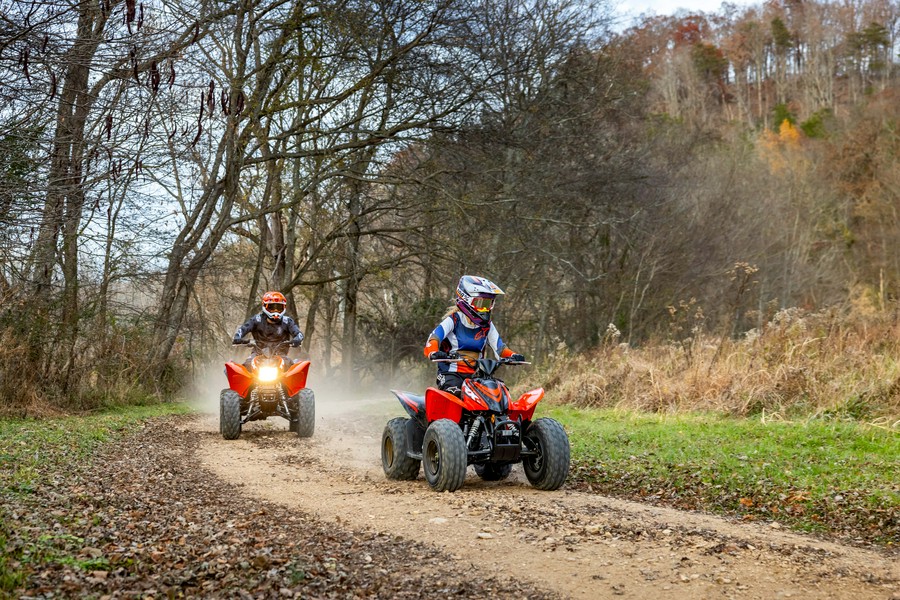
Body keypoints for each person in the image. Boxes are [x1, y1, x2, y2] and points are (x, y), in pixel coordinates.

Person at [423, 276, 525, 397]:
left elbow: (500, 349)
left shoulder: (487, 326)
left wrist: (513, 356)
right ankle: (443, 416)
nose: (485, 309)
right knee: (455, 394)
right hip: (451, 374)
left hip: (477, 375)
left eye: (488, 304)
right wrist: (434, 352)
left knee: (500, 392)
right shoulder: (453, 320)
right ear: (466, 300)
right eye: (481, 303)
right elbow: (434, 338)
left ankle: (502, 416)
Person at [233, 291, 304, 367]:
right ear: (265, 306)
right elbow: (243, 329)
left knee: (293, 367)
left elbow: (299, 334)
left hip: (280, 355)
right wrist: (237, 337)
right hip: (258, 354)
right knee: (245, 366)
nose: (276, 311)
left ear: (284, 308)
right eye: (272, 308)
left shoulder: (287, 321)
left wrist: (297, 339)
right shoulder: (256, 320)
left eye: (279, 308)